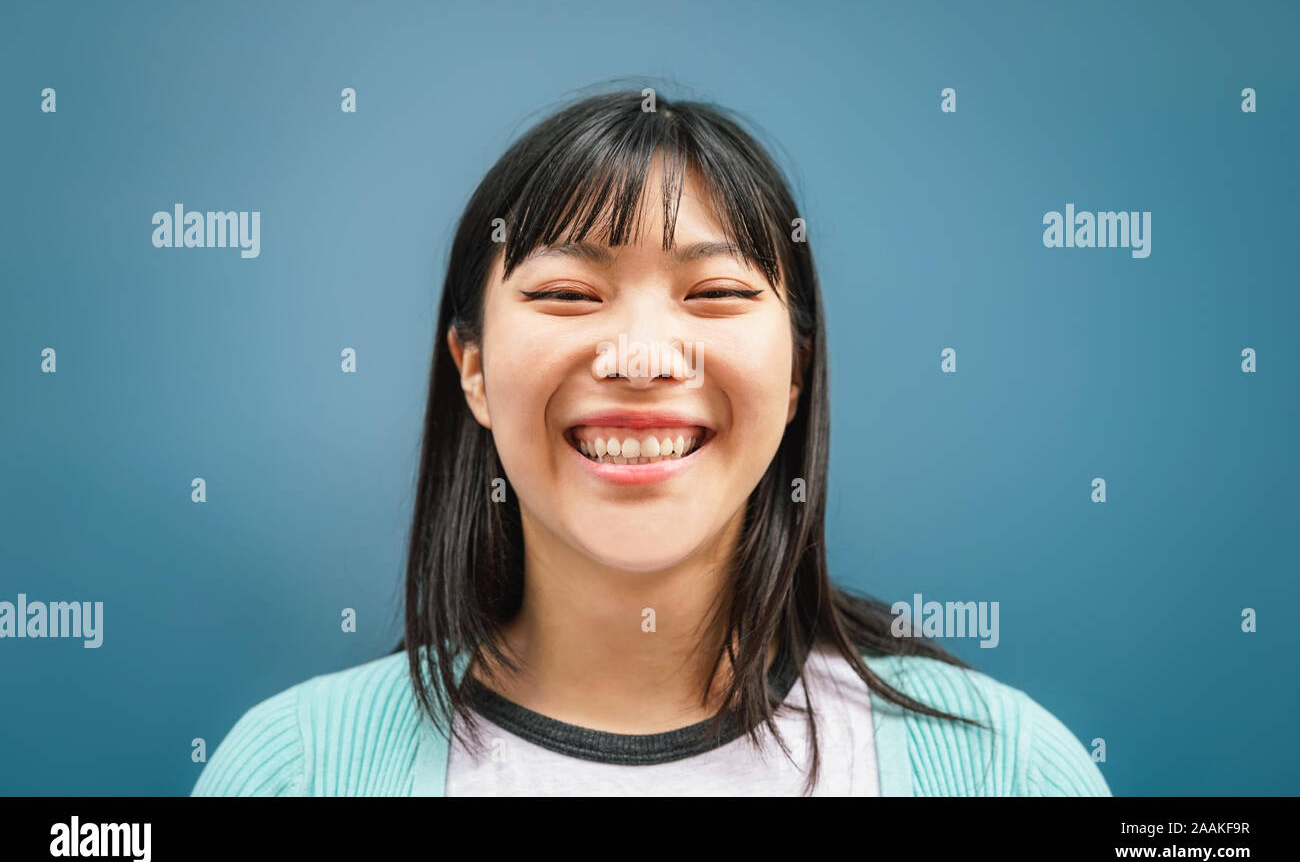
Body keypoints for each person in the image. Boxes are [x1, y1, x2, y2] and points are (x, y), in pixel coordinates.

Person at [192, 87, 1110, 796]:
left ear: (796, 375)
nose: (641, 357)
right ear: (471, 369)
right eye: (566, 296)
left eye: (715, 295)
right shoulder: (298, 768)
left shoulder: (1003, 767)